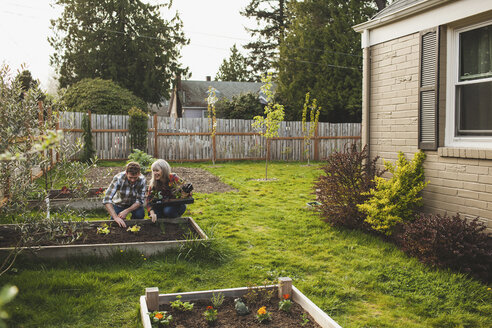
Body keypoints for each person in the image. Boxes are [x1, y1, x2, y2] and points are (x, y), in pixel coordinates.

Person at [103, 162, 147, 228]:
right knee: (115, 222)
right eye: (130, 177)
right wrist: (116, 217)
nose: (133, 180)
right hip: (119, 203)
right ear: (126, 173)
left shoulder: (142, 180)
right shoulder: (118, 178)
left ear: (139, 174)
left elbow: (139, 201)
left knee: (139, 215)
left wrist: (126, 211)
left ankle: (134, 228)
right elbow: (107, 199)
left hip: (134, 204)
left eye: (135, 178)